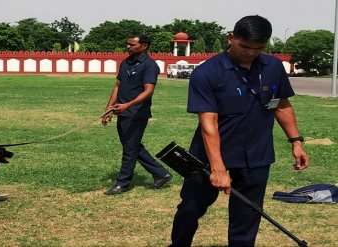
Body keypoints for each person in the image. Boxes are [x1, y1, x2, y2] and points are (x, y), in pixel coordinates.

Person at [169, 15, 309, 246]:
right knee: (190, 208)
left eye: (259, 48)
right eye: (245, 46)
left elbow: (281, 104)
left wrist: (296, 141)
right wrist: (217, 168)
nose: (251, 53)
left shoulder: (273, 66)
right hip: (207, 157)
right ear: (231, 38)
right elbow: (209, 125)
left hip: (256, 156)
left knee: (247, 216)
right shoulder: (206, 73)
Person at [101, 33, 173, 196]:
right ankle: (161, 174)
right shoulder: (126, 62)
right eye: (128, 44)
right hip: (122, 111)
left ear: (144, 46)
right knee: (132, 146)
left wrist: (128, 105)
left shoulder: (149, 65)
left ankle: (122, 183)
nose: (128, 47)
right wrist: (109, 108)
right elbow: (118, 86)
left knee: (129, 148)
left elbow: (149, 91)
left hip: (136, 113)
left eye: (132, 45)